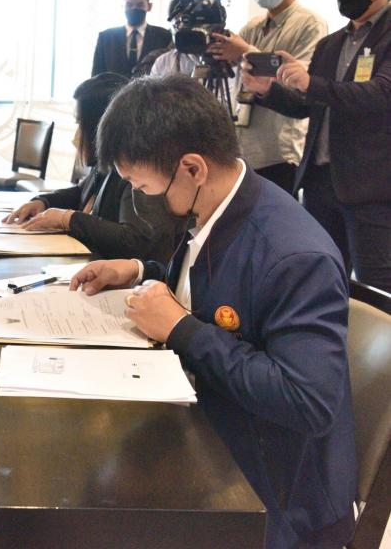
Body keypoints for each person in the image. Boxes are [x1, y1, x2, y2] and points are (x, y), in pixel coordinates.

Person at [69, 76, 356, 549]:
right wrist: (140, 269)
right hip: (217, 429)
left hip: (273, 496)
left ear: (192, 168)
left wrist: (182, 329)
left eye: (143, 187)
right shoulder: (221, 204)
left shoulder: (295, 257)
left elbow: (307, 401)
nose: (143, 201)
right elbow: (214, 287)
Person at [243, 0, 391, 292]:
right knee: (322, 280)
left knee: (375, 287)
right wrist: (268, 90)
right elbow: (307, 105)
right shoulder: (331, 44)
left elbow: (382, 95)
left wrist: (311, 83)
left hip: (371, 186)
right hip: (320, 181)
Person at [3, 73, 181, 263]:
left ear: (100, 126)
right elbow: (82, 191)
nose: (75, 137)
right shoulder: (106, 166)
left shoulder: (135, 174)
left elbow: (133, 239)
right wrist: (44, 202)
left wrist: (68, 219)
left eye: (80, 124)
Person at [208, 0, 328, 194]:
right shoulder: (251, 27)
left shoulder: (309, 24)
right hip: (243, 148)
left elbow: (300, 83)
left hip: (278, 152)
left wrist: (247, 52)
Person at [91, 0, 173, 78]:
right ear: (123, 6)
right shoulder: (106, 37)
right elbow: (96, 77)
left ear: (149, 6)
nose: (134, 8)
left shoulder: (163, 36)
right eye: (129, 5)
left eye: (140, 5)